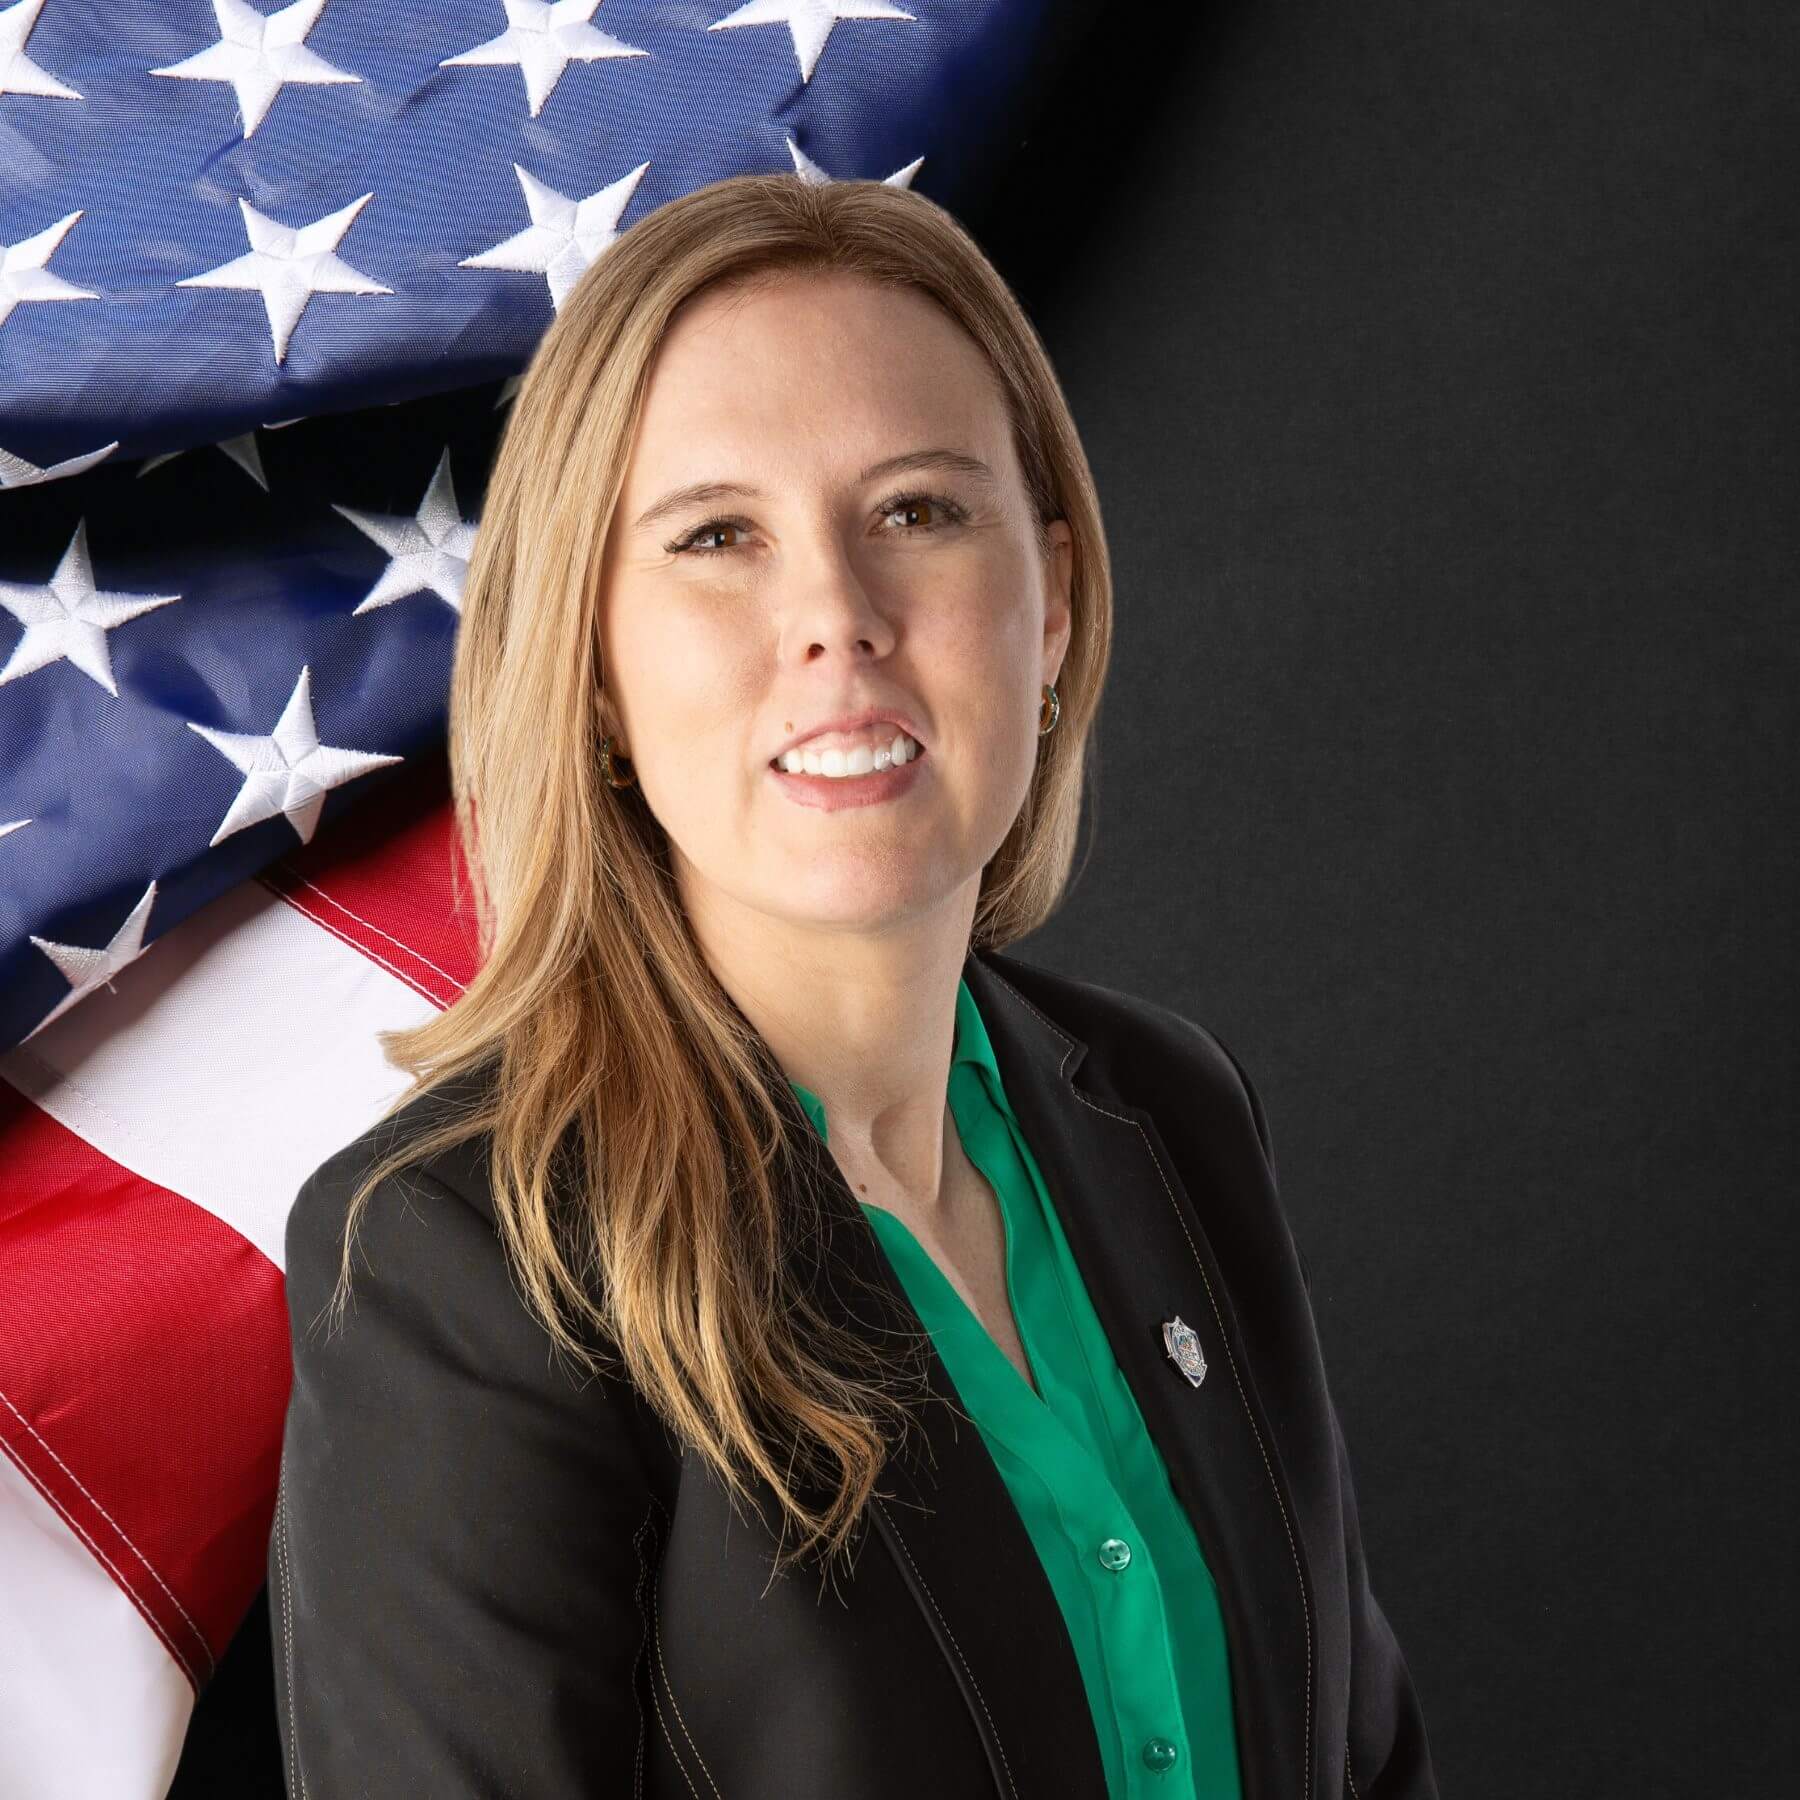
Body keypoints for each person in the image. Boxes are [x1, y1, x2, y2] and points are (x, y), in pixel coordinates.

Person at [270, 172, 1437, 1799]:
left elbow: (1360, 1757)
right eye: (718, 538)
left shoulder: (1170, 1110)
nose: (836, 618)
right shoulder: (463, 1261)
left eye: (916, 511)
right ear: (592, 668)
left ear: (1056, 601)